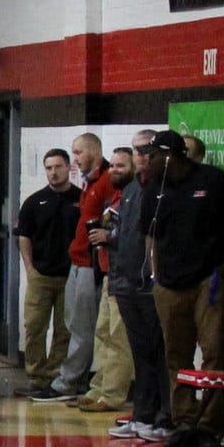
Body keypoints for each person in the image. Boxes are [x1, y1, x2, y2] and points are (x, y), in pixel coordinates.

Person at [148, 128, 224, 447]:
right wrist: (154, 272)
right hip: (169, 283)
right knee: (176, 356)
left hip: (209, 279)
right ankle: (184, 422)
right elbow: (148, 234)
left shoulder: (213, 180)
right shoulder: (155, 189)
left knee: (213, 354)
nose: (148, 160)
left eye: (154, 155)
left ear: (172, 155)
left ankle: (208, 425)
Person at [105, 136, 172, 443]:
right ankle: (142, 414)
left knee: (160, 352)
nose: (142, 156)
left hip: (150, 285)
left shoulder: (162, 190)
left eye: (148, 151)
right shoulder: (130, 190)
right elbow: (124, 240)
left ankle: (164, 416)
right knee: (140, 354)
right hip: (126, 283)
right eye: (137, 151)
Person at [66, 144, 136, 415]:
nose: (115, 170)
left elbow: (132, 237)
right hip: (108, 271)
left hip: (125, 274)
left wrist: (110, 237)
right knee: (102, 333)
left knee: (118, 336)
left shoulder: (132, 197)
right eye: (114, 165)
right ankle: (98, 387)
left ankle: (112, 394)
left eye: (122, 166)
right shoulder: (116, 196)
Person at [13, 149, 84, 397]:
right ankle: (37, 376)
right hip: (41, 275)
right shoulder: (34, 202)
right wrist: (30, 269)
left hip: (70, 276)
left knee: (65, 329)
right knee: (34, 327)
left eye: (58, 167)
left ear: (68, 168)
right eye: (49, 168)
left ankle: (56, 376)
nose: (53, 172)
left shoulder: (81, 199)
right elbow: (24, 237)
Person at [43, 133, 108, 402]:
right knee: (73, 323)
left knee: (82, 327)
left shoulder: (106, 182)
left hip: (90, 263)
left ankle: (67, 382)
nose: (75, 159)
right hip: (78, 260)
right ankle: (72, 377)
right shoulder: (89, 183)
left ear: (94, 151)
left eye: (78, 152)